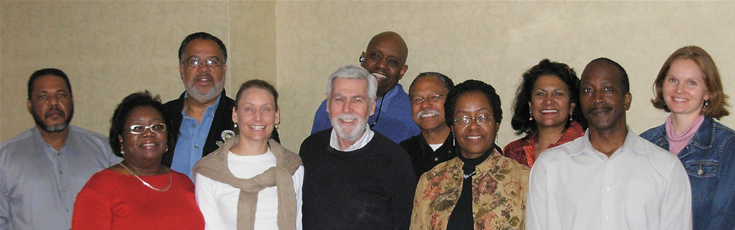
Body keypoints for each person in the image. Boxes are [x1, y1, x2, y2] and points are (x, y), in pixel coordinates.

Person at [526, 58, 692, 229]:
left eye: (607, 89)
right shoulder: (550, 166)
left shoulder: (665, 167)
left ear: (626, 99)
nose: (597, 98)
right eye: (588, 90)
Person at [0, 68, 119, 230]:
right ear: (30, 105)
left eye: (61, 95)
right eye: (43, 97)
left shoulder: (105, 150)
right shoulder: (5, 157)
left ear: (72, 101)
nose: (53, 103)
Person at [300, 65, 416, 229]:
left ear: (372, 107)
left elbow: (404, 223)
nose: (346, 109)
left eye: (357, 100)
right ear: (327, 104)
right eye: (339, 99)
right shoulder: (310, 148)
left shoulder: (395, 159)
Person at [72, 91, 204, 229]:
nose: (148, 133)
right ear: (121, 139)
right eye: (137, 128)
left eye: (157, 126)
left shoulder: (184, 183)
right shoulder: (100, 187)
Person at [410, 80, 530, 230]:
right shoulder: (430, 180)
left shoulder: (525, 180)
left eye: (483, 117)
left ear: (496, 124)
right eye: (463, 119)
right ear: (452, 127)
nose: (473, 126)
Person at [640, 46, 735, 230]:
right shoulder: (644, 143)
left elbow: (724, 221)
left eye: (691, 83)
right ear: (662, 85)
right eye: (673, 80)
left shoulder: (728, 147)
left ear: (707, 92)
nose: (679, 90)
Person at [164, 32, 280, 180]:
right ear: (181, 69)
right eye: (194, 61)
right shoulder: (161, 118)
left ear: (224, 70)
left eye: (213, 62)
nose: (204, 69)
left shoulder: (250, 119)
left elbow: (272, 173)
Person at [194, 79, 304, 230]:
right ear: (235, 114)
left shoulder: (292, 166)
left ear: (276, 116)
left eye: (266, 109)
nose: (258, 117)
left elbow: (298, 224)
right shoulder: (209, 172)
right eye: (249, 109)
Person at [310, 31, 419, 143]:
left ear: (402, 71)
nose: (381, 65)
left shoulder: (413, 114)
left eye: (392, 61)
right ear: (363, 59)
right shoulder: (332, 107)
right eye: (376, 56)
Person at [504, 59, 586, 167]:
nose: (548, 101)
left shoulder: (587, 147)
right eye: (540, 94)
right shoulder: (513, 153)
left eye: (558, 94)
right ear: (530, 105)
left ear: (572, 106)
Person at [399, 72, 456, 180]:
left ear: (451, 101)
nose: (425, 105)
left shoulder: (470, 149)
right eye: (417, 99)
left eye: (434, 97)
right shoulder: (401, 154)